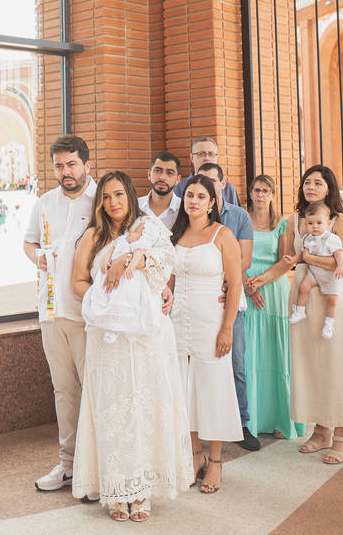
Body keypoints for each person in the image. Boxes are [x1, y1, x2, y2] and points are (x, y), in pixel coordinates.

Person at [70, 171, 193, 521]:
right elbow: (78, 282)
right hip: (107, 338)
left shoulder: (149, 229)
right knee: (114, 412)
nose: (113, 203)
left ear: (130, 195)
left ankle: (143, 490)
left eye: (119, 195)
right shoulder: (92, 236)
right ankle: (117, 491)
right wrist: (101, 298)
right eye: (106, 197)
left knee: (147, 408)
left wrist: (137, 265)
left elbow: (165, 271)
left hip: (148, 337)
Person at [23, 134, 97, 492]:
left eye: (71, 164)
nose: (65, 172)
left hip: (88, 313)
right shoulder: (45, 201)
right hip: (50, 309)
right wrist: (35, 256)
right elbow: (29, 240)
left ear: (86, 164)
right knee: (63, 390)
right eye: (59, 166)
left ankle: (94, 467)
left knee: (94, 389)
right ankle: (67, 464)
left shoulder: (102, 200)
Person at [283, 165, 343, 465]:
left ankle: (341, 434)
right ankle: (320, 430)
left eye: (318, 182)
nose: (311, 187)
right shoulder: (295, 219)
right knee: (311, 364)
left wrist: (308, 257)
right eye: (307, 182)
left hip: (332, 296)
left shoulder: (339, 220)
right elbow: (289, 259)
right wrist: (264, 279)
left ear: (329, 188)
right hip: (304, 300)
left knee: (336, 362)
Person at [168, 174, 243, 493]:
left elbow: (235, 282)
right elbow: (168, 279)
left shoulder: (222, 235)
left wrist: (227, 327)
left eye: (201, 196)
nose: (194, 201)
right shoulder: (176, 233)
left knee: (212, 391)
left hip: (211, 322)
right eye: (189, 196)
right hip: (175, 322)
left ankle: (215, 462)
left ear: (213, 202)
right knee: (184, 392)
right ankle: (195, 456)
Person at [197, 162, 260, 451]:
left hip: (228, 297)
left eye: (213, 181)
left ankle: (241, 422)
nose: (207, 187)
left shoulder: (239, 216)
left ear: (223, 184)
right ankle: (200, 426)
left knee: (235, 363)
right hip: (198, 302)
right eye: (202, 182)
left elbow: (244, 260)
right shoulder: (191, 215)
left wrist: (225, 280)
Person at [242, 174, 304, 440]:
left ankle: (279, 418)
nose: (260, 195)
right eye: (256, 190)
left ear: (273, 195)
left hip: (274, 291)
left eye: (266, 191)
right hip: (244, 288)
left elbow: (287, 261)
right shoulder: (242, 219)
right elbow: (232, 256)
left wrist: (261, 282)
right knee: (249, 353)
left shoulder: (282, 223)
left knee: (275, 352)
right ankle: (249, 420)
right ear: (250, 192)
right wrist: (246, 283)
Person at [80, 212, 165, 344]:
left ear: (142, 238)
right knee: (103, 297)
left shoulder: (137, 246)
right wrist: (105, 261)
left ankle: (116, 329)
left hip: (128, 280)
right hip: (108, 278)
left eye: (136, 231)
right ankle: (96, 319)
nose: (132, 230)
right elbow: (111, 251)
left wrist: (130, 266)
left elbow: (138, 257)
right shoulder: (122, 240)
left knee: (124, 301)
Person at [286, 201, 343, 339]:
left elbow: (339, 254)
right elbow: (302, 253)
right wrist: (293, 259)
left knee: (331, 299)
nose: (315, 226)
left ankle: (329, 323)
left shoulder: (331, 239)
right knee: (303, 288)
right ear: (306, 224)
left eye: (319, 223)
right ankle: (300, 311)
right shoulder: (307, 238)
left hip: (329, 274)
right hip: (314, 271)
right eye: (311, 223)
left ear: (328, 224)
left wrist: (339, 267)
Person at [172, 137, 241, 204]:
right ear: (192, 157)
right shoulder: (179, 188)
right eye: (201, 154)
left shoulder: (228, 189)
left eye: (211, 154)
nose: (207, 158)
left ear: (217, 158)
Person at [139, 151, 182, 229]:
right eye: (158, 171)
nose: (162, 177)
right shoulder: (135, 207)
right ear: (149, 174)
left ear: (177, 179)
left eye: (169, 173)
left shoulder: (183, 209)